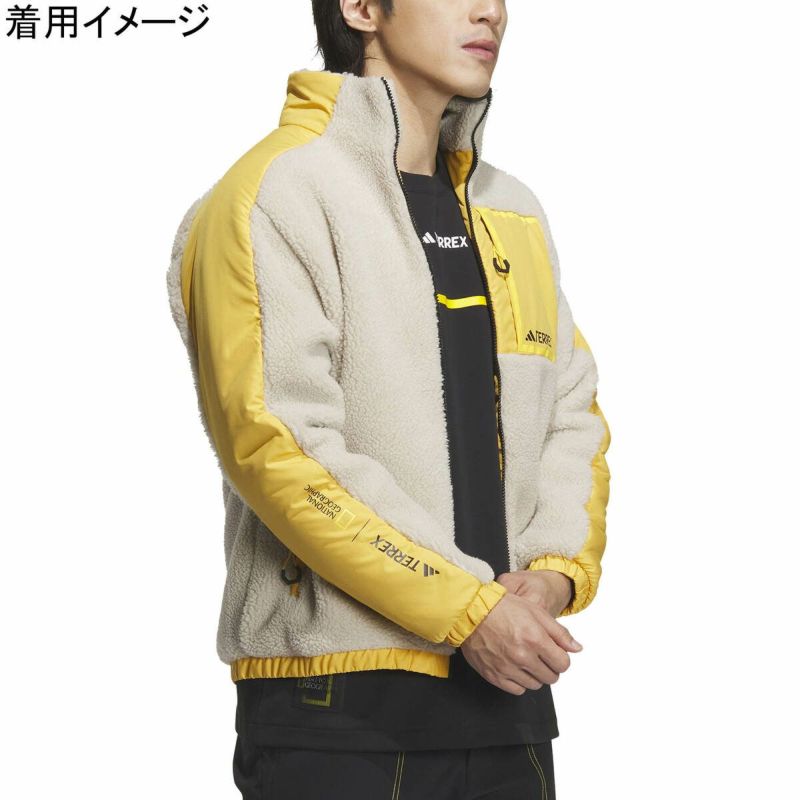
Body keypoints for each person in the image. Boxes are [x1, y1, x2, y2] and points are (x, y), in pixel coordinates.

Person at [166, 0, 611, 796]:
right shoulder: (275, 192)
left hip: (509, 704)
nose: (491, 12)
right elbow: (277, 445)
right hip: (338, 706)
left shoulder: (510, 209)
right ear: (363, 8)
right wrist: (467, 608)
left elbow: (570, 412)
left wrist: (551, 574)